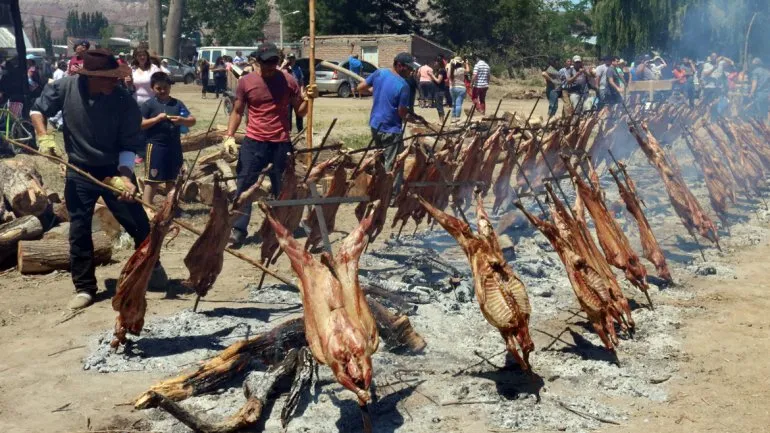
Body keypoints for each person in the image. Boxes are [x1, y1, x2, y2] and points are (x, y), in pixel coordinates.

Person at [29, 49, 155, 310]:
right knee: (79, 229)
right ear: (90, 77)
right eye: (108, 78)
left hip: (113, 169)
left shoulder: (123, 101)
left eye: (115, 77)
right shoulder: (65, 88)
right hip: (79, 169)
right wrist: (43, 136)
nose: (114, 82)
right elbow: (36, 110)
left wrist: (125, 178)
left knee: (138, 222)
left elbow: (130, 144)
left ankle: (153, 268)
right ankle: (85, 287)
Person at [221, 43, 315, 246]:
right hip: (254, 142)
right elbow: (237, 111)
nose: (271, 67)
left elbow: (301, 111)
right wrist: (229, 135)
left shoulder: (288, 81)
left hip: (280, 143)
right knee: (245, 185)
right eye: (266, 63)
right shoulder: (246, 82)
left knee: (283, 186)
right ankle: (238, 229)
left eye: (274, 62)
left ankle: (281, 226)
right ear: (257, 62)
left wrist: (309, 98)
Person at [356, 52, 415, 193]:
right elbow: (401, 112)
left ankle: (378, 188)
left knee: (380, 160)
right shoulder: (404, 86)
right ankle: (390, 194)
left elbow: (360, 88)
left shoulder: (379, 73)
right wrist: (410, 118)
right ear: (399, 65)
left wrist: (376, 92)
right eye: (408, 68)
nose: (411, 71)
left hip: (376, 125)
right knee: (394, 163)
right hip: (391, 129)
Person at [140, 72, 196, 204]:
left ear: (170, 87)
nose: (162, 91)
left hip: (174, 146)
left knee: (173, 179)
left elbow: (192, 120)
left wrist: (182, 120)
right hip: (155, 146)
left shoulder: (177, 104)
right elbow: (140, 124)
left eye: (165, 87)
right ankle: (146, 207)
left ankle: (171, 207)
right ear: (152, 88)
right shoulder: (148, 105)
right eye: (159, 88)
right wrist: (156, 119)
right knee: (152, 180)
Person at [282, 53, 305, 132]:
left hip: (297, 95)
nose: (291, 60)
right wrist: (283, 66)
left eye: (292, 58)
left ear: (295, 59)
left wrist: (302, 92)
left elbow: (301, 82)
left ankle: (300, 131)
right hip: (287, 96)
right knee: (288, 115)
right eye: (289, 59)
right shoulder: (284, 69)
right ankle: (289, 131)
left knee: (299, 113)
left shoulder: (298, 68)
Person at [749, 58, 770, 122]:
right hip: (767, 95)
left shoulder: (755, 72)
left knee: (758, 112)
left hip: (759, 94)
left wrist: (751, 93)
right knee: (765, 112)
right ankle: (766, 126)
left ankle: (760, 128)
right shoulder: (767, 72)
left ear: (755, 65)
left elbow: (754, 83)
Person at [448, 56, 467, 123]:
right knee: (458, 104)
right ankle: (457, 117)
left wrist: (450, 64)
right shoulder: (462, 69)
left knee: (453, 104)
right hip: (461, 87)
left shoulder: (451, 69)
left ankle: (453, 117)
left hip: (453, 87)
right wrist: (466, 64)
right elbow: (467, 71)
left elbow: (448, 77)